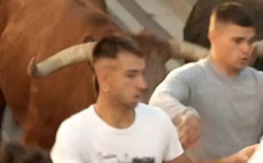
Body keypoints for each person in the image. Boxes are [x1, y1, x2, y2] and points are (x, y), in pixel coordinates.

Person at [150, 3, 263, 162]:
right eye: (237, 41)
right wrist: (185, 114)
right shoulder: (191, 76)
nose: (246, 49)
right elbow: (158, 100)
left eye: (250, 41)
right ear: (213, 37)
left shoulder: (262, 84)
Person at [50, 36, 189, 162]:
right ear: (104, 79)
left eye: (142, 74)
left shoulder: (159, 121)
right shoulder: (74, 133)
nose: (143, 85)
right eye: (131, 75)